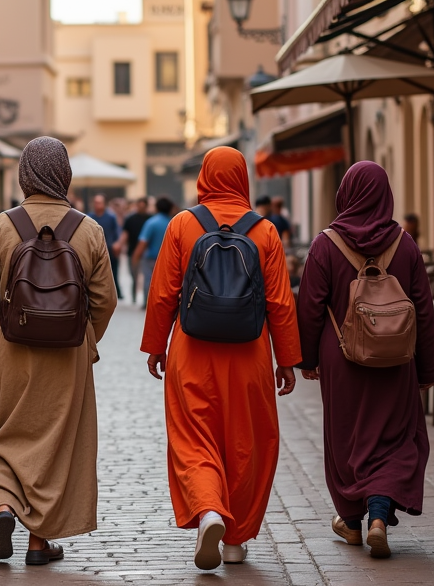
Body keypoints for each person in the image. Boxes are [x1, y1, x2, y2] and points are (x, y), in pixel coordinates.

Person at [0, 137, 117, 566]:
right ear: (65, 174)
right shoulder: (90, 229)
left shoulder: (2, 227)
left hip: (10, 350)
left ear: (25, 174)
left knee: (4, 432)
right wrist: (83, 337)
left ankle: (4, 505)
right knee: (56, 442)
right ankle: (39, 543)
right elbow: (105, 300)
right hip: (68, 356)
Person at [141, 147, 300, 570]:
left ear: (205, 177)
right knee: (247, 443)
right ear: (243, 178)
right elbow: (281, 303)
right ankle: (235, 541)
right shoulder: (265, 231)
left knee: (194, 440)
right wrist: (287, 360)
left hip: (191, 354)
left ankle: (209, 510)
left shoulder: (182, 225)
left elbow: (162, 293)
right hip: (249, 357)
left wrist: (156, 344)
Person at [296, 162, 434, 559]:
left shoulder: (326, 244)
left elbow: (309, 306)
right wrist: (428, 369)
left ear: (347, 193)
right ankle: (379, 515)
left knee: (347, 439)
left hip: (341, 358)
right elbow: (423, 310)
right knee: (394, 437)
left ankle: (353, 522)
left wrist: (306, 358)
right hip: (396, 360)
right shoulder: (405, 243)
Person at [130, 197, 175, 309]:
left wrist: (135, 257)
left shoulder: (151, 223)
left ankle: (148, 302)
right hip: (168, 259)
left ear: (156, 208)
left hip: (151, 258)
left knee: (149, 280)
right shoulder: (173, 222)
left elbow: (143, 242)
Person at [116, 197, 151, 302]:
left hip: (146, 253)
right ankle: (135, 296)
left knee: (146, 276)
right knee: (134, 275)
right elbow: (125, 234)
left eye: (143, 206)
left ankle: (145, 298)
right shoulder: (130, 219)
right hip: (132, 251)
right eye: (139, 206)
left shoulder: (150, 219)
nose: (141, 208)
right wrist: (120, 245)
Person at [88, 194, 122, 298]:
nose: (98, 205)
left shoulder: (111, 217)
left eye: (99, 202)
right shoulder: (89, 217)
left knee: (113, 272)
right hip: (95, 249)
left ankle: (116, 292)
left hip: (110, 248)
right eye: (96, 203)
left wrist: (117, 243)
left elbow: (117, 232)